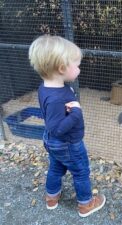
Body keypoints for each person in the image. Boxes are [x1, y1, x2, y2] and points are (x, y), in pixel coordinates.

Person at [29, 35, 106, 217]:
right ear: (62, 68)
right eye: (77, 65)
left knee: (56, 167)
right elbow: (57, 128)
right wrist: (76, 113)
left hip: (53, 142)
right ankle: (86, 205)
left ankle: (51, 197)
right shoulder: (56, 98)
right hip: (67, 143)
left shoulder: (45, 88)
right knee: (81, 171)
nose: (79, 68)